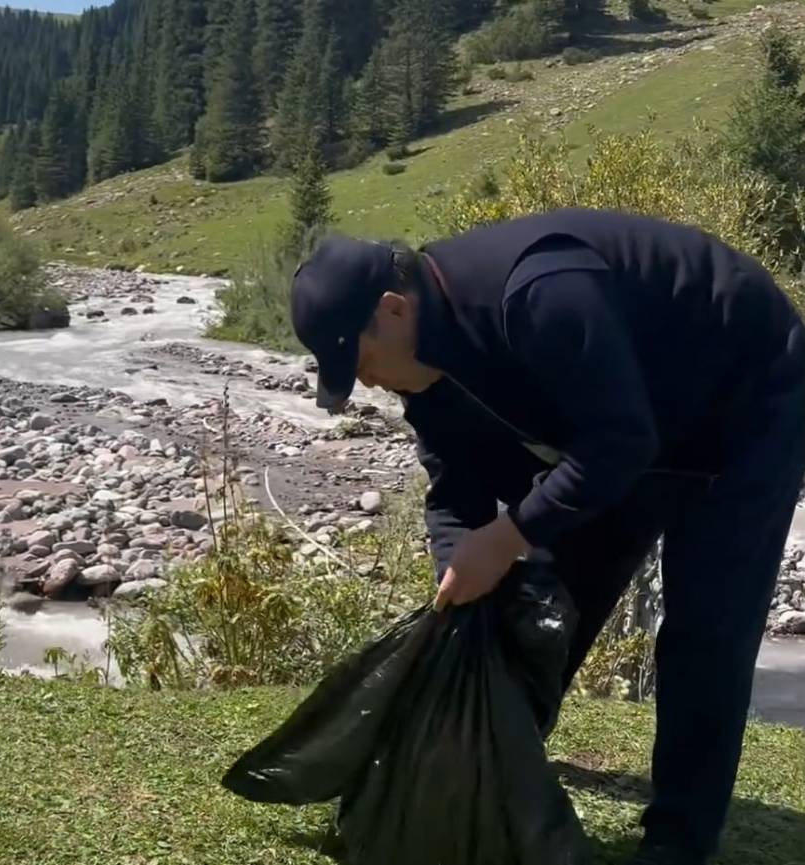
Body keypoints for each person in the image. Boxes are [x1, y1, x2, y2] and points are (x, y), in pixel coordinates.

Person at [289, 207, 805, 865]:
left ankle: (679, 838)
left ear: (392, 309)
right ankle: (494, 757)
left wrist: (506, 538)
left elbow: (619, 443)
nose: (365, 382)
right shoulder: (429, 373)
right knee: (541, 601)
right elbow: (456, 494)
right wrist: (463, 574)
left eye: (359, 361)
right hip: (632, 425)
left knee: (705, 631)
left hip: (745, 399)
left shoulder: (534, 293)